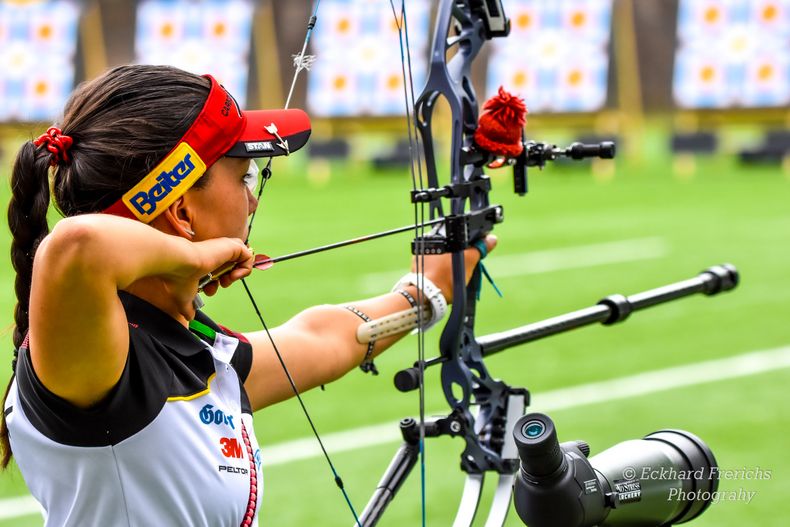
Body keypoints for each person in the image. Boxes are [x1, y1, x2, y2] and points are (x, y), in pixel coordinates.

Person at [0, 64, 495, 526]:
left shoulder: (188, 347)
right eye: (242, 177)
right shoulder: (95, 362)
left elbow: (324, 338)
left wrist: (428, 290)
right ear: (182, 212)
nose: (253, 197)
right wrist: (197, 257)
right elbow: (76, 247)